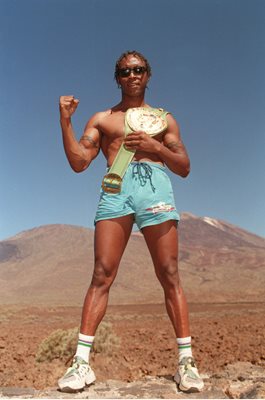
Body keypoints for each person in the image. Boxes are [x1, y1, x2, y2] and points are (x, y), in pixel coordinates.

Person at [58, 50, 204, 393]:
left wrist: (155, 147)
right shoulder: (103, 119)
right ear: (118, 78)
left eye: (138, 70)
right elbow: (79, 162)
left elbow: (183, 166)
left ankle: (187, 363)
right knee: (101, 274)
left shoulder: (164, 119)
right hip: (116, 190)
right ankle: (81, 364)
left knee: (169, 274)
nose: (132, 75)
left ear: (148, 75)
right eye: (125, 72)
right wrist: (65, 120)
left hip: (156, 188)